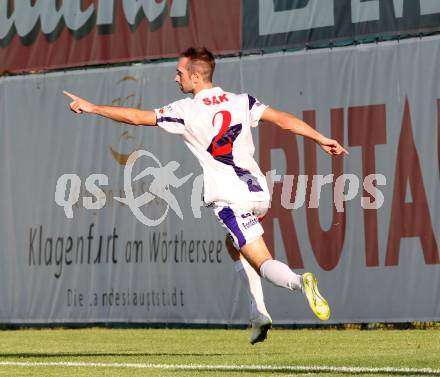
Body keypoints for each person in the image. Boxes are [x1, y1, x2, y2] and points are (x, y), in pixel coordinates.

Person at [64, 47, 347, 345]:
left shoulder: (186, 110)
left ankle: (299, 282)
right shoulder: (242, 101)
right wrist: (320, 138)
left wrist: (93, 107)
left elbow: (137, 117)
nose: (175, 78)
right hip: (258, 192)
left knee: (263, 262)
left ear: (197, 76)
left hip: (230, 198)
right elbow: (285, 120)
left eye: (180, 72)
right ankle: (258, 312)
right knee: (233, 243)